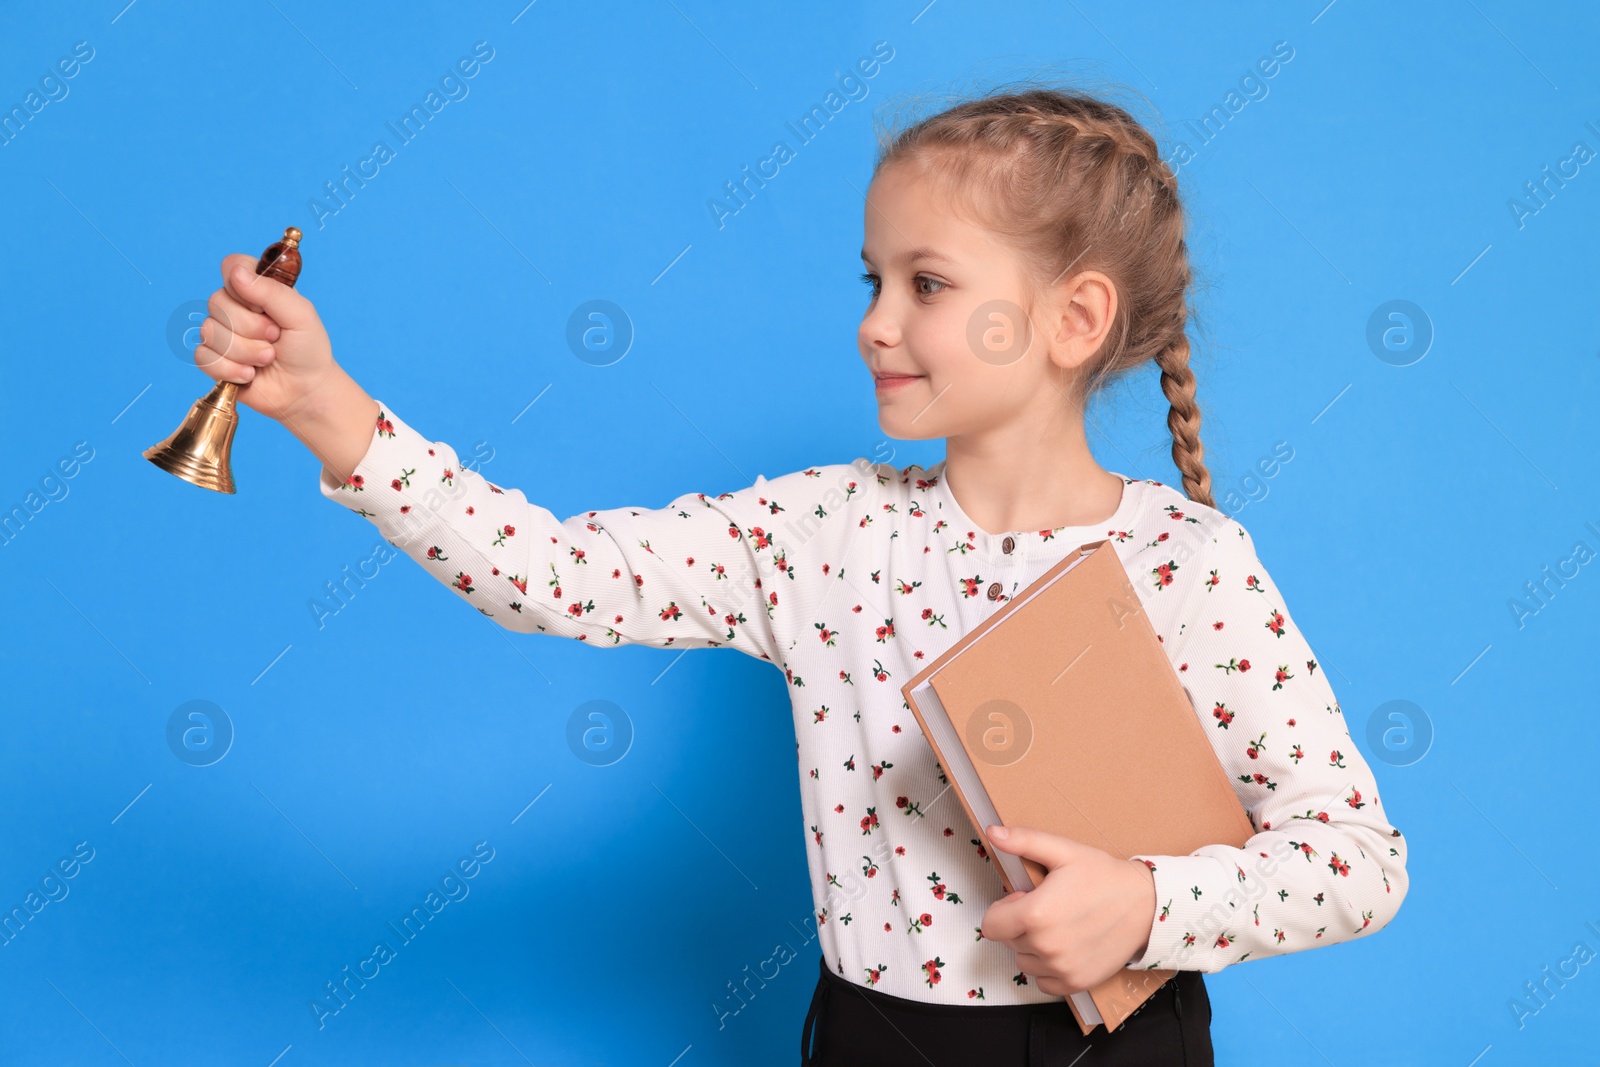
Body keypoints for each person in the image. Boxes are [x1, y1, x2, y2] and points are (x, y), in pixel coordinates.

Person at [188, 84, 1408, 1067]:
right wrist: (329, 407)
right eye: (870, 280)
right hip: (876, 1038)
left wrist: (1145, 907)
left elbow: (1357, 856)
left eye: (925, 284)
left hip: (1128, 1043)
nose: (875, 322)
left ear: (1073, 318)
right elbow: (555, 573)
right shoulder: (820, 533)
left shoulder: (1187, 564)